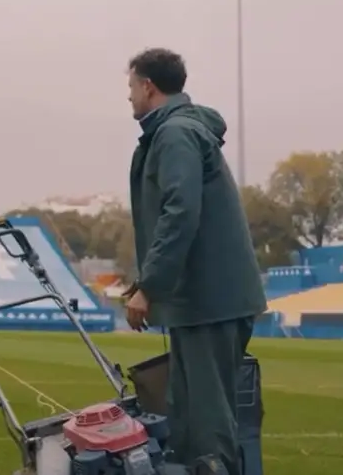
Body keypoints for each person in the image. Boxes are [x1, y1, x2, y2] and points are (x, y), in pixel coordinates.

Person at [122, 47, 267, 475]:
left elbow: (180, 211)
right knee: (185, 416)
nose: (128, 96)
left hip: (210, 302)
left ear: (148, 87)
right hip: (203, 301)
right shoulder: (174, 132)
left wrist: (151, 286)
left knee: (206, 424)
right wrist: (145, 280)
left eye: (130, 87)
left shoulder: (175, 134)